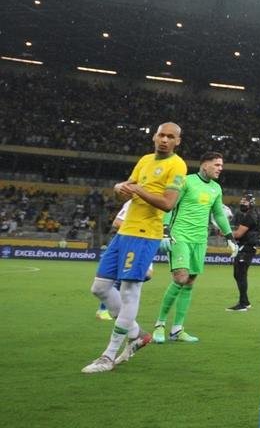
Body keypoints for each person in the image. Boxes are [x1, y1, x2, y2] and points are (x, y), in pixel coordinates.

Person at [83, 122, 187, 373]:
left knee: (129, 292)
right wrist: (120, 189)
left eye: (170, 137)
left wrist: (138, 189)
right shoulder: (144, 160)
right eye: (161, 135)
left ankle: (108, 356)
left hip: (145, 235)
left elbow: (168, 203)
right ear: (154, 137)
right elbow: (127, 192)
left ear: (177, 142)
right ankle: (137, 334)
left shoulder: (177, 165)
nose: (164, 140)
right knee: (100, 288)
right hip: (124, 232)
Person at [152, 151, 236, 343]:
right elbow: (170, 205)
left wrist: (230, 237)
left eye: (221, 165)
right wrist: (165, 231)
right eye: (217, 165)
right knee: (180, 278)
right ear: (205, 164)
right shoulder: (186, 181)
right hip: (180, 236)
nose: (220, 169)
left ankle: (177, 330)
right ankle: (160, 324)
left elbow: (218, 214)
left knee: (189, 282)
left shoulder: (216, 188)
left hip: (200, 239)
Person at [227, 192, 260, 312]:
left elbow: (238, 234)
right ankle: (245, 302)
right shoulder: (254, 214)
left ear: (251, 203)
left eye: (245, 202)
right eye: (241, 201)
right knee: (238, 274)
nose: (242, 204)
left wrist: (226, 233)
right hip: (248, 247)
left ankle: (243, 304)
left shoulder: (249, 216)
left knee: (240, 274)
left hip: (245, 248)